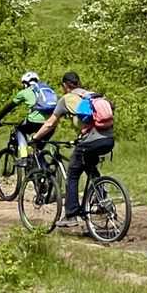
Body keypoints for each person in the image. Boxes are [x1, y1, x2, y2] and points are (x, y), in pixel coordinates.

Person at [32, 71, 116, 229]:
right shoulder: (91, 95)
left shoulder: (65, 99)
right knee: (90, 166)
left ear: (65, 85)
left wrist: (36, 138)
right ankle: (101, 200)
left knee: (72, 173)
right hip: (109, 139)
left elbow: (50, 123)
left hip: (91, 140)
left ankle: (71, 215)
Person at [0, 71, 57, 164]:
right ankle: (44, 172)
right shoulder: (47, 90)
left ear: (25, 83)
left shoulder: (25, 92)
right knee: (38, 151)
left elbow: (9, 107)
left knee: (19, 130)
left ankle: (24, 157)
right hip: (51, 123)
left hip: (35, 121)